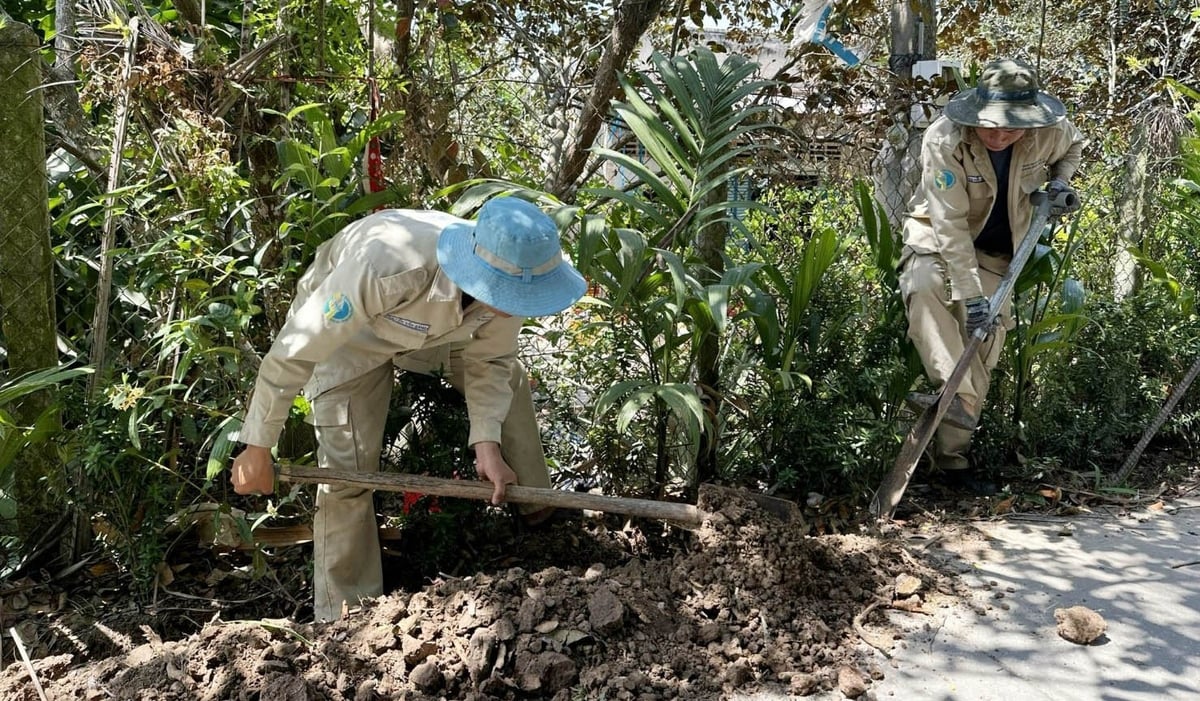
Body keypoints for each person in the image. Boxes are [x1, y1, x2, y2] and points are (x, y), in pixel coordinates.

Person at [230, 197, 587, 621]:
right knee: (348, 473)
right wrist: (256, 445)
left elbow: (489, 362)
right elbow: (294, 351)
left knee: (510, 379)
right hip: (348, 341)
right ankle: (348, 616)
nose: (518, 305)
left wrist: (486, 444)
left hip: (434, 332)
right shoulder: (385, 266)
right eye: (512, 295)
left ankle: (541, 514)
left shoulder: (510, 281)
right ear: (481, 274)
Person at [898, 58, 1085, 495]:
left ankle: (950, 463)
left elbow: (1073, 147)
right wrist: (969, 293)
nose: (1000, 137)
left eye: (1011, 129)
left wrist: (1060, 181)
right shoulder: (944, 138)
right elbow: (949, 224)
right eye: (991, 127)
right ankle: (956, 429)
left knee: (983, 343)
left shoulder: (1051, 131)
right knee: (925, 290)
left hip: (1000, 254)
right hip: (937, 242)